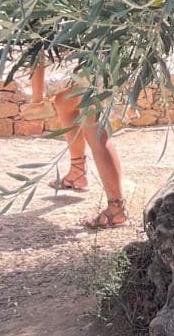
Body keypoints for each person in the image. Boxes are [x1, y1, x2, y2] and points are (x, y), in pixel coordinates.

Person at [29, 61, 129, 229]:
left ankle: (117, 209)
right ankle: (77, 172)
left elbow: (36, 53)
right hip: (96, 62)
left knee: (96, 131)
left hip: (100, 63)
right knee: (64, 101)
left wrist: (36, 100)